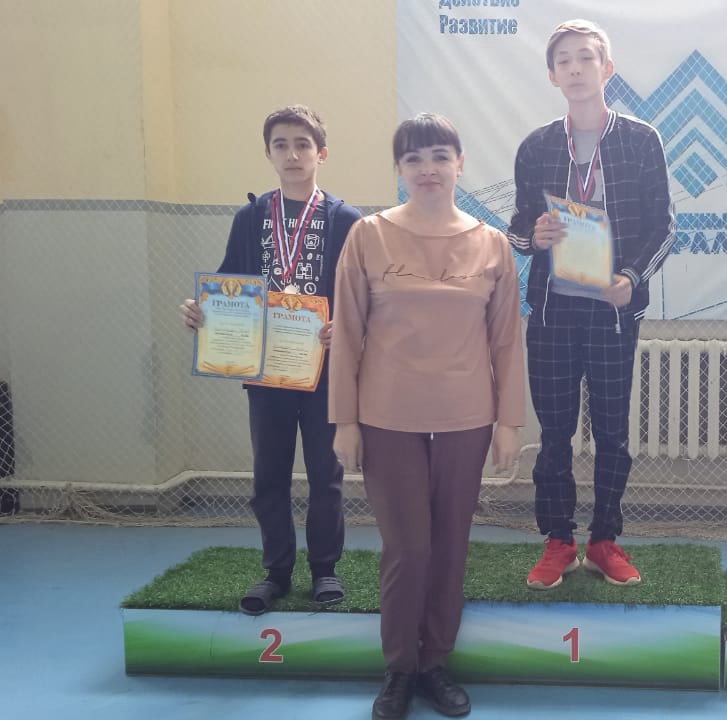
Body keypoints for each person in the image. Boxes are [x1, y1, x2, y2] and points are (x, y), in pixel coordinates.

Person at [329, 112, 523, 719]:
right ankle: (399, 668)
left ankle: (435, 662)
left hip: (467, 418)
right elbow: (348, 334)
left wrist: (509, 422)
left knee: (450, 545)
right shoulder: (367, 235)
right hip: (387, 417)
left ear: (460, 164)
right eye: (414, 158)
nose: (428, 168)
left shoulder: (492, 244)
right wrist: (344, 420)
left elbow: (505, 342)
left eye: (440, 156)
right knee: (407, 548)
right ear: (399, 168)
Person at [507, 19, 676, 590]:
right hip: (552, 313)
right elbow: (517, 228)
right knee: (554, 434)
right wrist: (534, 236)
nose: (576, 68)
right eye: (564, 60)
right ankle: (558, 541)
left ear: (607, 68)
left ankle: (604, 540)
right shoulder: (536, 147)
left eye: (586, 58)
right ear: (552, 76)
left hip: (612, 311)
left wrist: (632, 276)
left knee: (611, 433)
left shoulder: (640, 140)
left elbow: (663, 226)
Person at [180, 105, 360, 615]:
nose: (292, 154)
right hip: (266, 373)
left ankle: (324, 569)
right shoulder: (251, 218)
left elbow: (362, 296)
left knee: (326, 475)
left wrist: (345, 328)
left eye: (303, 144)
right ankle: (276, 572)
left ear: (321, 153)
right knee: (269, 476)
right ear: (268, 154)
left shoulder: (347, 221)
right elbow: (228, 282)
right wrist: (202, 312)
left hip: (325, 373)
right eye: (281, 144)